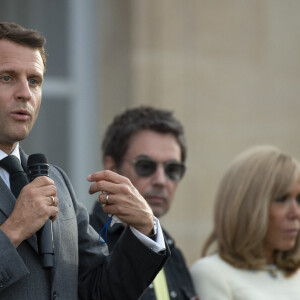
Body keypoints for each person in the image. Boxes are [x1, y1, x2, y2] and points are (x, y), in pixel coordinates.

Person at [0, 22, 169, 300]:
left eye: (34, 81)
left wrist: (144, 229)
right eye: (7, 77)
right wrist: (15, 228)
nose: (25, 93)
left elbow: (101, 291)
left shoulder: (57, 181)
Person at [89, 106, 198, 300]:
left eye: (172, 169)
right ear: (112, 167)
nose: (161, 180)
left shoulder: (173, 251)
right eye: (146, 166)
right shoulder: (83, 239)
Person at [190, 145, 300, 300]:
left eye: (299, 200)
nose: (296, 213)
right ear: (248, 206)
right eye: (281, 199)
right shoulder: (212, 273)